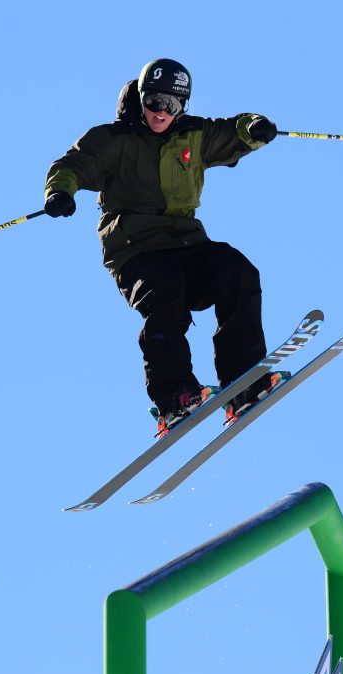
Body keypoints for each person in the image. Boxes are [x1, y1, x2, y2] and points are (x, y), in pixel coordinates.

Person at [43, 58, 283, 437]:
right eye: (153, 102)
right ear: (140, 99)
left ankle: (245, 381)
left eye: (171, 105)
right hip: (136, 250)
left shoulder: (193, 135)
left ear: (183, 106)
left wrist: (255, 128)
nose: (160, 112)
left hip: (188, 241)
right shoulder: (114, 139)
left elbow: (235, 130)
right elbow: (73, 164)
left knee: (236, 271)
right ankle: (174, 396)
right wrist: (60, 192)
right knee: (166, 295)